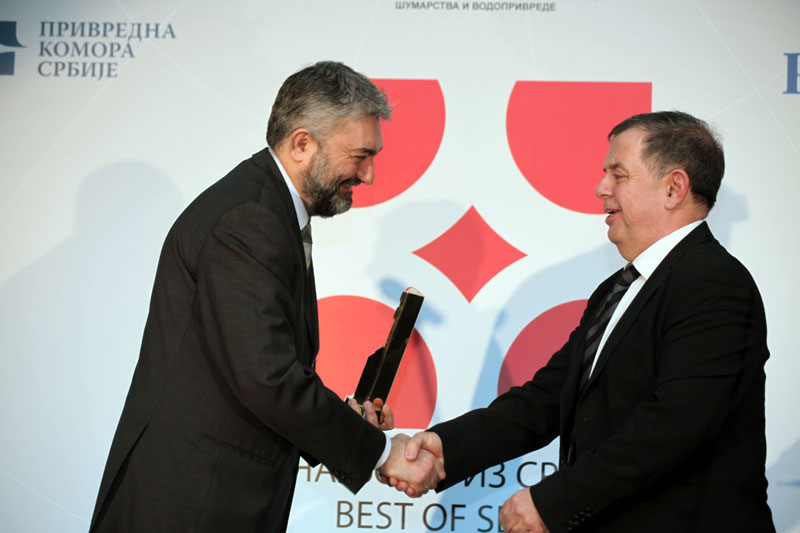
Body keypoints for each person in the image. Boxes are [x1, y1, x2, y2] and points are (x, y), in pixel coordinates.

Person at [90, 61, 442, 532]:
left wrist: (347, 423)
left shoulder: (267, 209)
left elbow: (258, 368)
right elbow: (267, 377)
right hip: (191, 506)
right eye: (360, 156)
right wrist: (380, 451)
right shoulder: (249, 219)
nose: (370, 175)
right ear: (302, 144)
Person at [394, 111, 775, 532]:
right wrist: (446, 448)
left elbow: (674, 425)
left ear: (674, 188)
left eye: (618, 175)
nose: (601, 188)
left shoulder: (714, 283)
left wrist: (552, 502)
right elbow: (547, 398)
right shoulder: (618, 288)